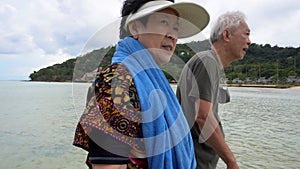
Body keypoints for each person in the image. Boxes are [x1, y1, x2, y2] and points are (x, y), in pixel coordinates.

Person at [73, 0, 210, 168]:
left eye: (176, 28)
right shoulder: (117, 81)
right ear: (136, 28)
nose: (172, 35)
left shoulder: (153, 82)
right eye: (164, 22)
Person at [176, 11, 251, 169]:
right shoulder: (207, 61)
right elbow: (203, 116)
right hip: (195, 161)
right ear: (226, 35)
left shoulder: (212, 65)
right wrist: (231, 162)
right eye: (246, 34)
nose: (249, 41)